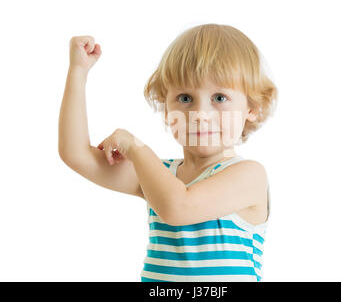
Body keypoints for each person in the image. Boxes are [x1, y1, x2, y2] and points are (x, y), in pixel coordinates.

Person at [58, 23, 278, 282]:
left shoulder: (249, 175)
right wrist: (78, 71)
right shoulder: (159, 176)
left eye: (219, 98)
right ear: (165, 107)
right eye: (185, 98)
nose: (200, 115)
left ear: (253, 107)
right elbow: (76, 154)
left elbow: (178, 207)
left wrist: (136, 148)